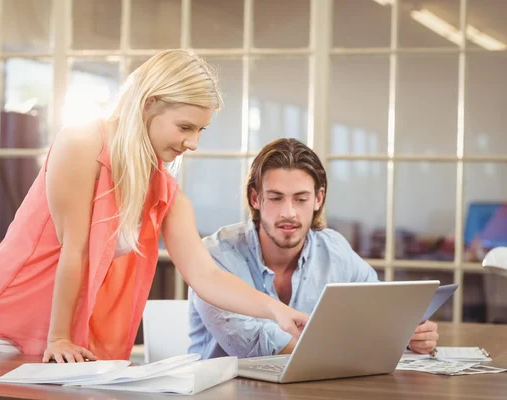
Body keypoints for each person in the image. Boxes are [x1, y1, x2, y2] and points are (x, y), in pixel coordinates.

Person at [0, 50, 309, 363]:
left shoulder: (165, 192)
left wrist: (275, 310)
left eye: (201, 130)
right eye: (185, 127)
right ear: (148, 104)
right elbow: (74, 250)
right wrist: (60, 336)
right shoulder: (82, 143)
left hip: (58, 344)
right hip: (3, 327)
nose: (194, 143)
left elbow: (207, 276)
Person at [188, 138, 439, 359]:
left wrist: (408, 333)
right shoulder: (214, 257)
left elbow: (382, 313)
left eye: (301, 199)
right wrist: (367, 342)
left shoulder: (335, 250)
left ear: (318, 199)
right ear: (256, 199)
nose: (289, 213)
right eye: (276, 198)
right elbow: (249, 343)